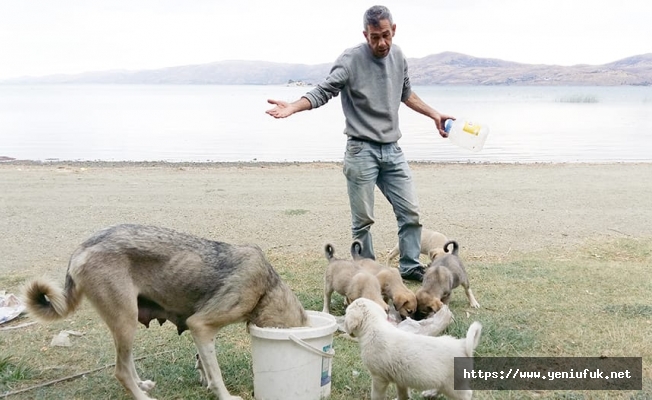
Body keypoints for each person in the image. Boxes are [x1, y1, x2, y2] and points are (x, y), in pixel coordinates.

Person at [265, 5, 453, 281]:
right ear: (365, 34)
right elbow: (323, 91)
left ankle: (410, 266)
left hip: (392, 149)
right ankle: (368, 270)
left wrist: (434, 114)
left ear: (394, 30)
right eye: (374, 37)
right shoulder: (350, 60)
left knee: (410, 212)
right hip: (360, 150)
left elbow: (406, 93)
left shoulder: (398, 56)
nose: (381, 43)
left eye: (386, 35)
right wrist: (293, 106)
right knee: (363, 220)